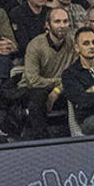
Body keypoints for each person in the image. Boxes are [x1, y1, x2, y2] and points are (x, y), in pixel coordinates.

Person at [18, 8, 75, 139]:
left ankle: (77, 135)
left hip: (61, 90)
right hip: (32, 90)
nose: (62, 26)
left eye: (65, 21)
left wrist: (56, 91)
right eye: (57, 22)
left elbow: (76, 76)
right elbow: (33, 80)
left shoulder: (73, 43)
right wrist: (59, 82)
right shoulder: (36, 45)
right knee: (38, 96)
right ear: (47, 25)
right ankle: (42, 139)